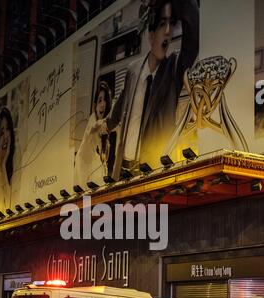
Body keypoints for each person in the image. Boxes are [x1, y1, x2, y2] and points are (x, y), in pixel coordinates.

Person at [103, 0, 199, 179]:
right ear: (151, 35)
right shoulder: (133, 70)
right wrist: (106, 124)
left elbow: (192, 41)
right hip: (124, 169)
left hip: (152, 169)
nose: (169, 32)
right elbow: (122, 101)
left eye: (171, 24)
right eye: (163, 24)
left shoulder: (174, 67)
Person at [74, 80, 112, 189]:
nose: (103, 104)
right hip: (84, 166)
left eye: (105, 100)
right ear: (95, 104)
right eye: (100, 101)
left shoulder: (105, 138)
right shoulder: (93, 120)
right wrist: (104, 123)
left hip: (93, 169)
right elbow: (93, 127)